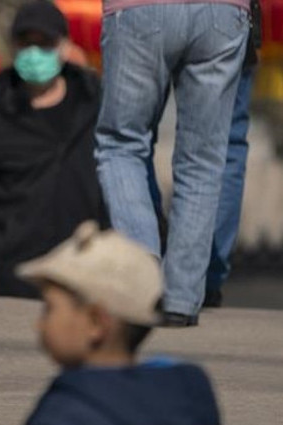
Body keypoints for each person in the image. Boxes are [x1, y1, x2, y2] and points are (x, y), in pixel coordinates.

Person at [15, 221, 221, 425]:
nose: (39, 325)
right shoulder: (181, 404)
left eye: (49, 309)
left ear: (96, 323)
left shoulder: (67, 417)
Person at [0, 0, 107, 298]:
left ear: (64, 46)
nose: (35, 53)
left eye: (45, 43)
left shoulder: (95, 102)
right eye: (27, 44)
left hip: (89, 268)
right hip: (16, 277)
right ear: (14, 47)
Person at [94, 0, 250, 326]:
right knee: (203, 161)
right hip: (223, 13)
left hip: (139, 10)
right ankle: (181, 297)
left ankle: (143, 266)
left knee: (121, 144)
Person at [147, 0, 262, 308]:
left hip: (145, 13)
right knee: (224, 146)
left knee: (130, 140)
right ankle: (204, 276)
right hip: (228, 15)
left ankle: (147, 260)